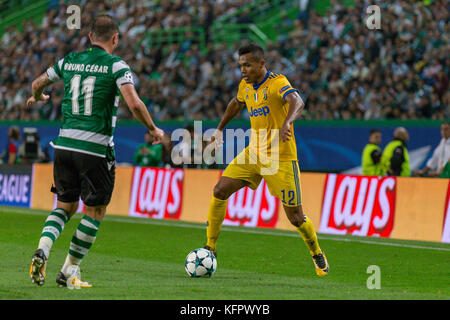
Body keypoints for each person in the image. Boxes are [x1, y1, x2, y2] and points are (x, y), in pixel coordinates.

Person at [26, 14, 165, 289]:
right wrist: (153, 128)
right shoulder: (117, 66)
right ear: (115, 39)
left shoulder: (69, 61)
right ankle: (68, 272)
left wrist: (39, 96)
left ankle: (43, 247)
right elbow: (134, 104)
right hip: (95, 148)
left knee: (65, 206)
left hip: (64, 145)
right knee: (95, 211)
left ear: (90, 37)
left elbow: (37, 83)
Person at [203, 43, 329, 277]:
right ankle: (210, 248)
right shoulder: (245, 86)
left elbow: (297, 101)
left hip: (280, 158)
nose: (243, 70)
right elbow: (235, 103)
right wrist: (220, 128)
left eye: (248, 65)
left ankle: (316, 252)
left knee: (296, 217)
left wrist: (288, 122)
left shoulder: (277, 83)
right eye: (241, 66)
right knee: (220, 190)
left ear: (262, 64)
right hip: (254, 153)